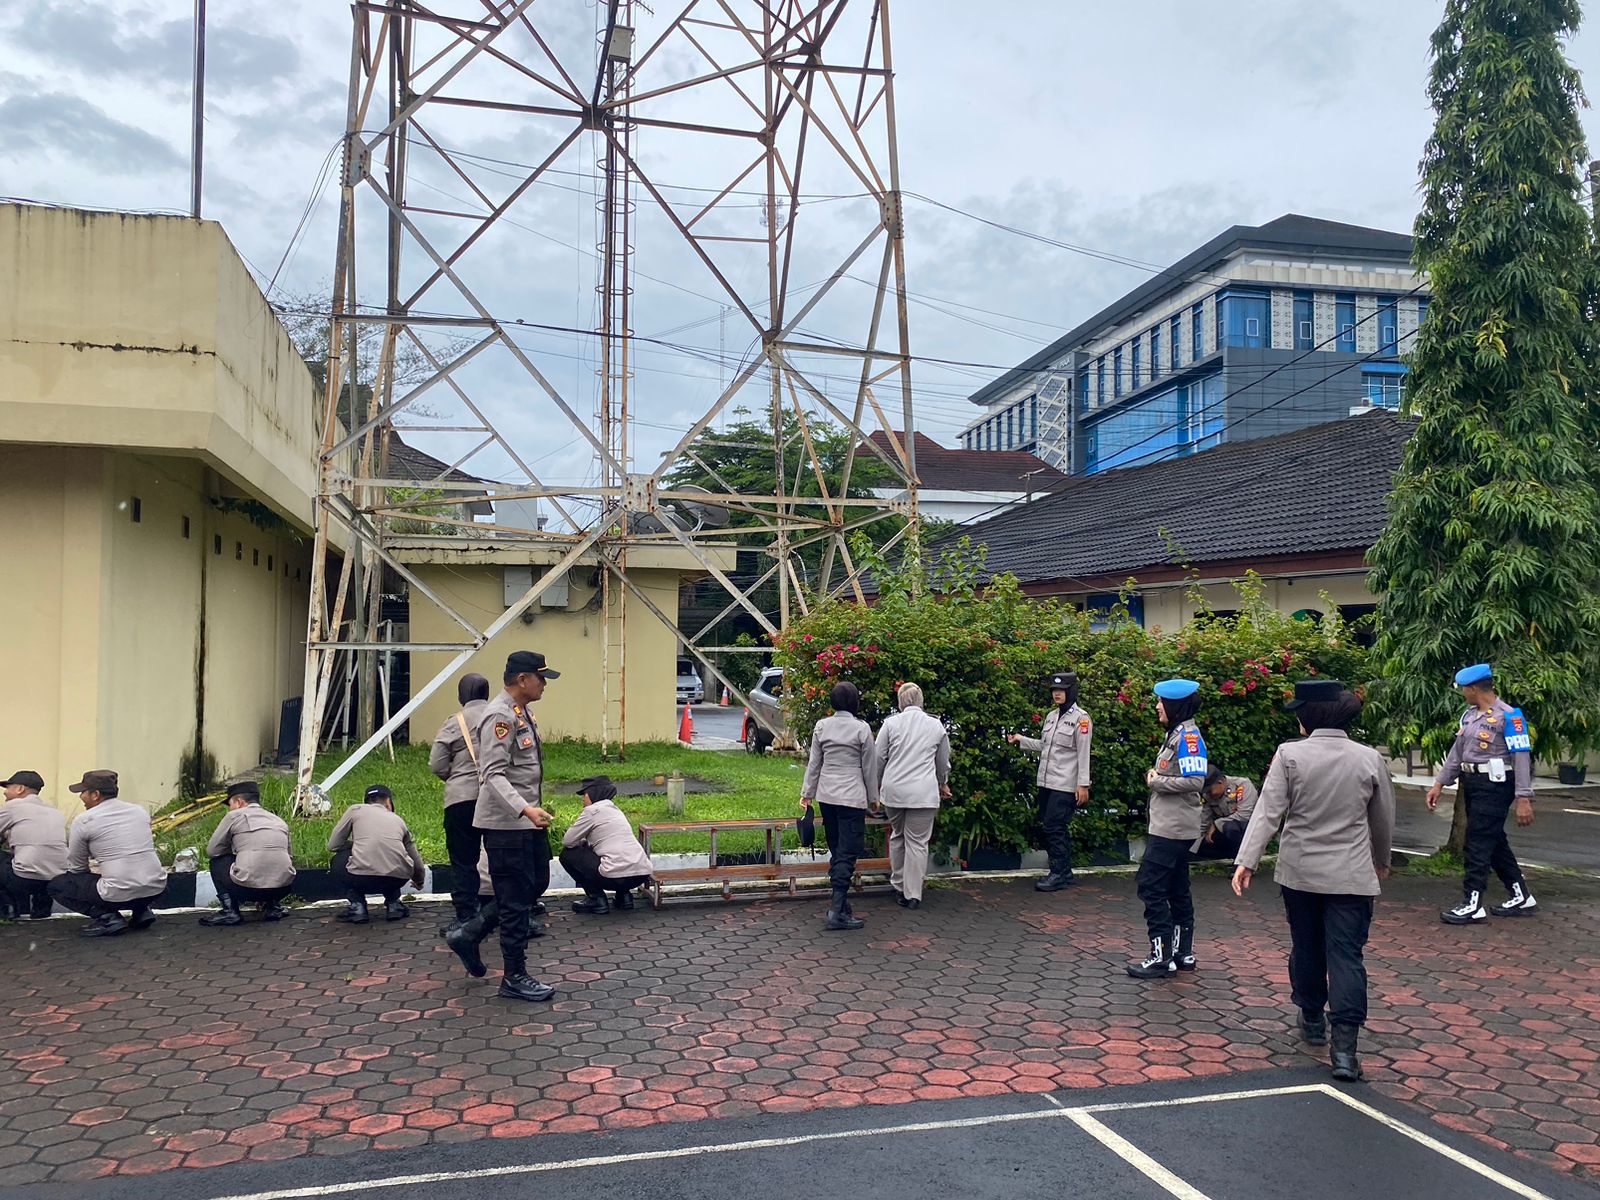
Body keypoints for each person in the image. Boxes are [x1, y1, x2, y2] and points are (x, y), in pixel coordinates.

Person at [1233, 680, 1395, 1083]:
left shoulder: (1289, 754)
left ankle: (1311, 1016)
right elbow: (1382, 818)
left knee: (1306, 946)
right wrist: (1381, 860)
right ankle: (1345, 1051)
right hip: (1352, 874)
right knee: (1346, 956)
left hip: (1300, 872)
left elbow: (1268, 812)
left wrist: (1247, 860)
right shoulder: (1369, 758)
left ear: (1309, 717)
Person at [447, 650, 560, 1003]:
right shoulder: (499, 715)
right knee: (514, 902)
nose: (544, 684)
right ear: (523, 679)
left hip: (527, 821)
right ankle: (514, 976)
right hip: (506, 825)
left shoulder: (520, 711)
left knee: (535, 883)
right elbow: (491, 774)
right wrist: (524, 809)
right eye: (541, 678)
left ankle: (470, 932)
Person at [1426, 664, 1538, 925]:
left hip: (1496, 785)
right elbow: (1457, 753)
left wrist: (1523, 797)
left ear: (1474, 688)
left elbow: (1521, 758)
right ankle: (1521, 896)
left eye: (1464, 689)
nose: (1463, 693)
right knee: (1493, 839)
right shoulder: (1469, 716)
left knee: (1477, 842)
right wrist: (1439, 783)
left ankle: (1473, 903)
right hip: (1473, 782)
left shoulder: (1510, 717)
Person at [1127, 679, 1208, 979]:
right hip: (1174, 827)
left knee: (1151, 886)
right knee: (1176, 888)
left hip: (1172, 829)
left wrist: (1156, 781)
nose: (1157, 706)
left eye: (1162, 702)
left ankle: (1160, 958)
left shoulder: (1188, 737)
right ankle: (1181, 953)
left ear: (1176, 706)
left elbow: (1195, 781)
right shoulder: (1177, 734)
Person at [48, 770, 167, 937]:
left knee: (58, 885)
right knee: (131, 872)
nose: (81, 797)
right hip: (156, 888)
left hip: (118, 894)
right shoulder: (139, 811)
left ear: (95, 794)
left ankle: (108, 918)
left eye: (83, 792)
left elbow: (77, 868)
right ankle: (141, 911)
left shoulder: (84, 820)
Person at [801, 681, 880, 932]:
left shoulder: (822, 726)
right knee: (848, 851)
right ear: (855, 702)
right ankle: (836, 912)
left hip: (827, 796)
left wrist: (807, 794)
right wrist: (874, 797)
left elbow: (814, 763)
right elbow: (869, 767)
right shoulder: (861, 729)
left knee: (837, 848)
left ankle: (841, 904)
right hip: (852, 797)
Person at [1007, 671, 1093, 891]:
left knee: (1055, 827)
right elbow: (1046, 745)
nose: (1057, 694)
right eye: (1054, 690)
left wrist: (1083, 784)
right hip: (1047, 782)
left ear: (1071, 691)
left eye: (1062, 690)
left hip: (1065, 785)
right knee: (1053, 827)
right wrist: (1021, 740)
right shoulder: (1051, 716)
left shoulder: (1081, 719)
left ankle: (1058, 874)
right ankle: (1065, 872)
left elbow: (1083, 753)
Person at [876, 683, 951, 909]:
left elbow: (878, 757)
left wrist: (876, 785)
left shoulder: (890, 724)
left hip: (894, 792)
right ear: (921, 701)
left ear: (900, 702)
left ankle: (898, 885)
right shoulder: (935, 725)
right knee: (918, 843)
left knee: (898, 835)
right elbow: (942, 762)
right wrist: (943, 783)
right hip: (923, 793)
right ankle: (913, 893)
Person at [429, 672, 492, 936]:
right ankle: (509, 913)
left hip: (462, 800)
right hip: (497, 798)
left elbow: (437, 764)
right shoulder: (502, 716)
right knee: (502, 857)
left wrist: (455, 777)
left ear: (461, 696)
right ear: (487, 694)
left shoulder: (454, 722)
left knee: (463, 860)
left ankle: (467, 917)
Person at [200, 780, 296, 927]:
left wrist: (236, 853)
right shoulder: (279, 820)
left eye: (230, 804)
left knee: (217, 861)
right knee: (276, 857)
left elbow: (212, 851)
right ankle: (273, 907)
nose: (229, 809)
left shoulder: (234, 816)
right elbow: (289, 856)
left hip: (245, 888)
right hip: (283, 888)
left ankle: (230, 911)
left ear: (239, 802)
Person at [326, 785, 425, 924]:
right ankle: (394, 905)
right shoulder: (398, 820)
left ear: (367, 802)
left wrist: (357, 845)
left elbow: (333, 845)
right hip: (396, 879)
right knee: (393, 856)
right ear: (388, 802)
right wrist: (419, 881)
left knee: (339, 860)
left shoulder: (355, 810)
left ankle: (358, 908)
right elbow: (416, 861)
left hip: (361, 878)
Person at [558, 776, 654, 914]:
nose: (583, 800)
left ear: (593, 793)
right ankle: (624, 897)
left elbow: (568, 841)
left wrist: (583, 843)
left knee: (568, 854)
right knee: (615, 854)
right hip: (640, 875)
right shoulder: (616, 810)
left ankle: (596, 898)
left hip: (612, 877)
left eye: (584, 795)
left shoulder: (592, 811)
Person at [0, 770, 66, 920]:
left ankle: (8, 908)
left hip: (24, 879)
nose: (5, 792)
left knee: (12, 862)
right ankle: (41, 908)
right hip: (56, 879)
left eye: (8, 787)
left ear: (20, 789)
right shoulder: (54, 811)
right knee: (32, 858)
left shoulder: (13, 806)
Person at [1192, 766, 1259, 861]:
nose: (1207, 794)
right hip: (1225, 831)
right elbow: (1204, 822)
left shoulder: (1242, 785)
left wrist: (1216, 824)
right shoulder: (1208, 795)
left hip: (1249, 830)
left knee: (1230, 827)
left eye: (1209, 791)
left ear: (1220, 783)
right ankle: (1228, 857)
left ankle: (1244, 859)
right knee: (1203, 844)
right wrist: (1192, 849)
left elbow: (1244, 815)